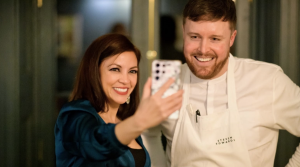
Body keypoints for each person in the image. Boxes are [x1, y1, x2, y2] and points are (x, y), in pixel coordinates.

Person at [142, 0, 300, 166]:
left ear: (231, 38)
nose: (203, 49)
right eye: (194, 37)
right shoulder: (169, 79)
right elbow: (147, 132)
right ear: (183, 32)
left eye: (215, 39)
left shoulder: (267, 79)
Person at [54, 34, 183, 167]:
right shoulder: (74, 114)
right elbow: (95, 144)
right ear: (94, 71)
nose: (125, 80)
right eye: (115, 69)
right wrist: (139, 121)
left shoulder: (125, 119)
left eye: (132, 71)